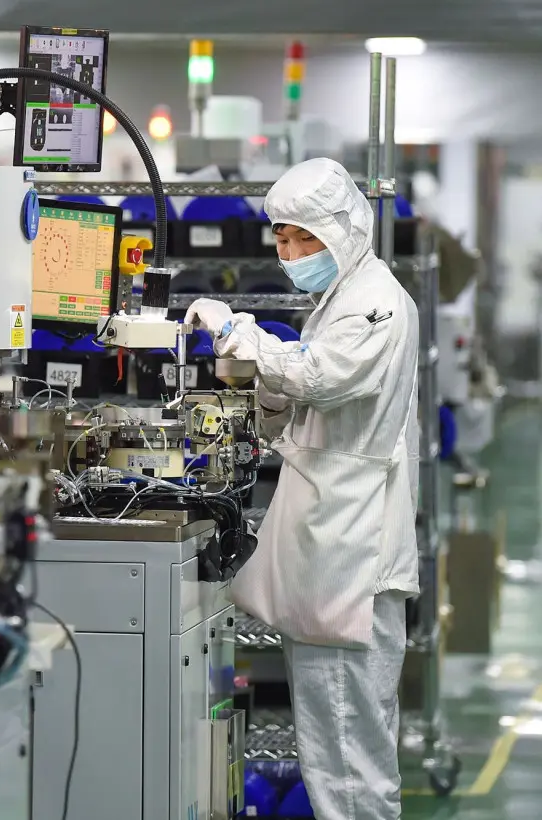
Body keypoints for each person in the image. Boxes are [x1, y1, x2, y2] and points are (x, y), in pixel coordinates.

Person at [185, 157, 419, 820]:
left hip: (353, 553)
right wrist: (256, 377)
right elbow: (299, 401)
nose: (289, 254)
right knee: (336, 748)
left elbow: (321, 377)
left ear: (341, 230)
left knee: (349, 754)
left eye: (302, 239)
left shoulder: (375, 301)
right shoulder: (338, 299)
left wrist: (240, 331)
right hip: (332, 543)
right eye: (281, 241)